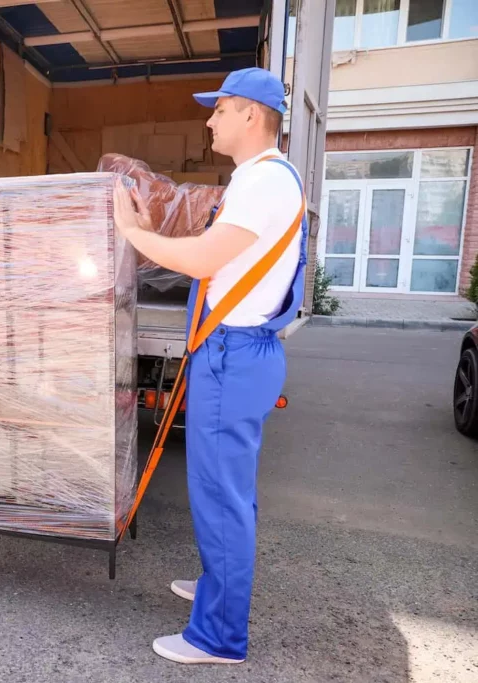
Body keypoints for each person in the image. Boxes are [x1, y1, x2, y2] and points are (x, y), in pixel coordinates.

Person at [113, 67, 308, 664]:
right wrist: (148, 231)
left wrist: (128, 230)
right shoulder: (261, 179)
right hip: (235, 350)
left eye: (219, 110)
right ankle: (218, 585)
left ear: (252, 114)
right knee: (227, 492)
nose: (209, 119)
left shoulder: (264, 183)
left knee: (221, 495)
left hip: (234, 352)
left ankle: (218, 636)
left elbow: (201, 260)